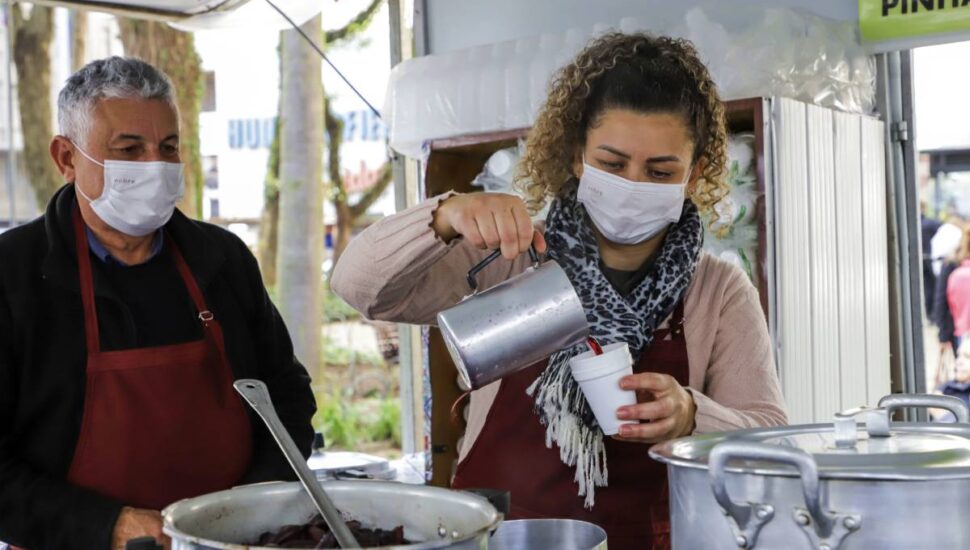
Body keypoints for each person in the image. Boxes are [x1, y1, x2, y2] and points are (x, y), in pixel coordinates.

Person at [332, 33, 787, 549]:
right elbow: (359, 287)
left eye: (660, 171)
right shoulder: (510, 253)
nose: (633, 184)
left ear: (695, 173)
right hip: (498, 533)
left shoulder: (717, 288)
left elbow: (767, 437)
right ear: (577, 156)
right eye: (613, 164)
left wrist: (691, 415)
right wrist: (444, 214)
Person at [0, 57, 316, 550]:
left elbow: (287, 396)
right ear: (66, 158)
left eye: (168, 148)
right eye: (129, 149)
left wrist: (251, 506)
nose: (155, 167)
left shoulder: (223, 259)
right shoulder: (12, 275)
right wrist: (108, 526)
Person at [934, 226, 970, 353]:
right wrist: (943, 334)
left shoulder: (951, 263)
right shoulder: (952, 264)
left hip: (959, 331)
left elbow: (940, 300)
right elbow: (941, 300)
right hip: (959, 331)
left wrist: (943, 335)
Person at [921, 201, 942, 318]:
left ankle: (928, 313)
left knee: (926, 286)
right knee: (933, 287)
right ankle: (931, 314)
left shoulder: (914, 223)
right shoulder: (931, 223)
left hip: (918, 259)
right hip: (930, 258)